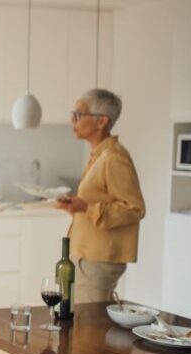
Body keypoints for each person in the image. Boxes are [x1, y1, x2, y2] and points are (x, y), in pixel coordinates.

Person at [57, 89, 145, 303]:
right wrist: (76, 206)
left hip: (98, 262)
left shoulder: (114, 157)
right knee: (80, 328)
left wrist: (86, 208)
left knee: (88, 331)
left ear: (101, 121)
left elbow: (134, 208)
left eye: (78, 114)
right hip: (87, 258)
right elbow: (100, 201)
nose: (72, 120)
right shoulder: (100, 155)